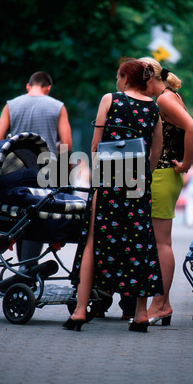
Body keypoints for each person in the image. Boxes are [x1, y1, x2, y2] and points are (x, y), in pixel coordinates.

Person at [63, 59, 164, 332]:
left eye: (118, 77)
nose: (116, 82)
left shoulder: (110, 99)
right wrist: (143, 173)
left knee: (93, 242)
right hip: (137, 183)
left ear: (124, 78)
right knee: (139, 244)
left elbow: (95, 145)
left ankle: (80, 311)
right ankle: (140, 315)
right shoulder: (153, 107)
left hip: (108, 179)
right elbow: (157, 149)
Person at [138, 57, 193, 326]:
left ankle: (160, 304)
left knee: (161, 242)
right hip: (163, 175)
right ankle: (163, 303)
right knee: (158, 241)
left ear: (148, 76)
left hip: (164, 174)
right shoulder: (168, 95)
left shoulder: (163, 99)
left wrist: (186, 163)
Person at [0, 71, 72, 266]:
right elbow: (67, 145)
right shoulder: (58, 106)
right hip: (46, 170)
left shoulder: (11, 105)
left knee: (21, 215)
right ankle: (29, 268)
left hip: (16, 172)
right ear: (48, 88)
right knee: (37, 215)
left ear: (28, 86)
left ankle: (25, 268)